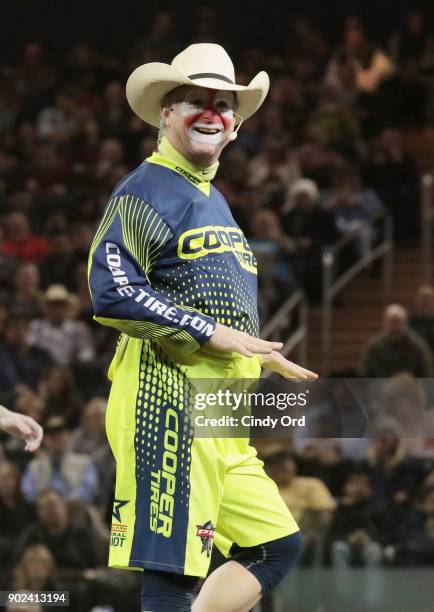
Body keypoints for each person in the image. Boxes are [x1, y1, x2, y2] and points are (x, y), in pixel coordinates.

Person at [88, 43, 317, 612]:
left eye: (223, 103)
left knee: (277, 546)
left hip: (221, 412)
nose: (211, 111)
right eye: (195, 100)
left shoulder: (212, 197)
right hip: (166, 402)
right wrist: (211, 333)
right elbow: (112, 289)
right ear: (165, 113)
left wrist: (253, 353)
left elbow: (215, 301)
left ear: (235, 126)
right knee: (172, 576)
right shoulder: (145, 189)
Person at [359, 304, 433, 378]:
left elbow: (426, 374)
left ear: (405, 323)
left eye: (397, 322)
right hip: (380, 387)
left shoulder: (417, 347)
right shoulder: (374, 347)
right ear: (385, 323)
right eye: (392, 322)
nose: (394, 327)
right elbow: (365, 374)